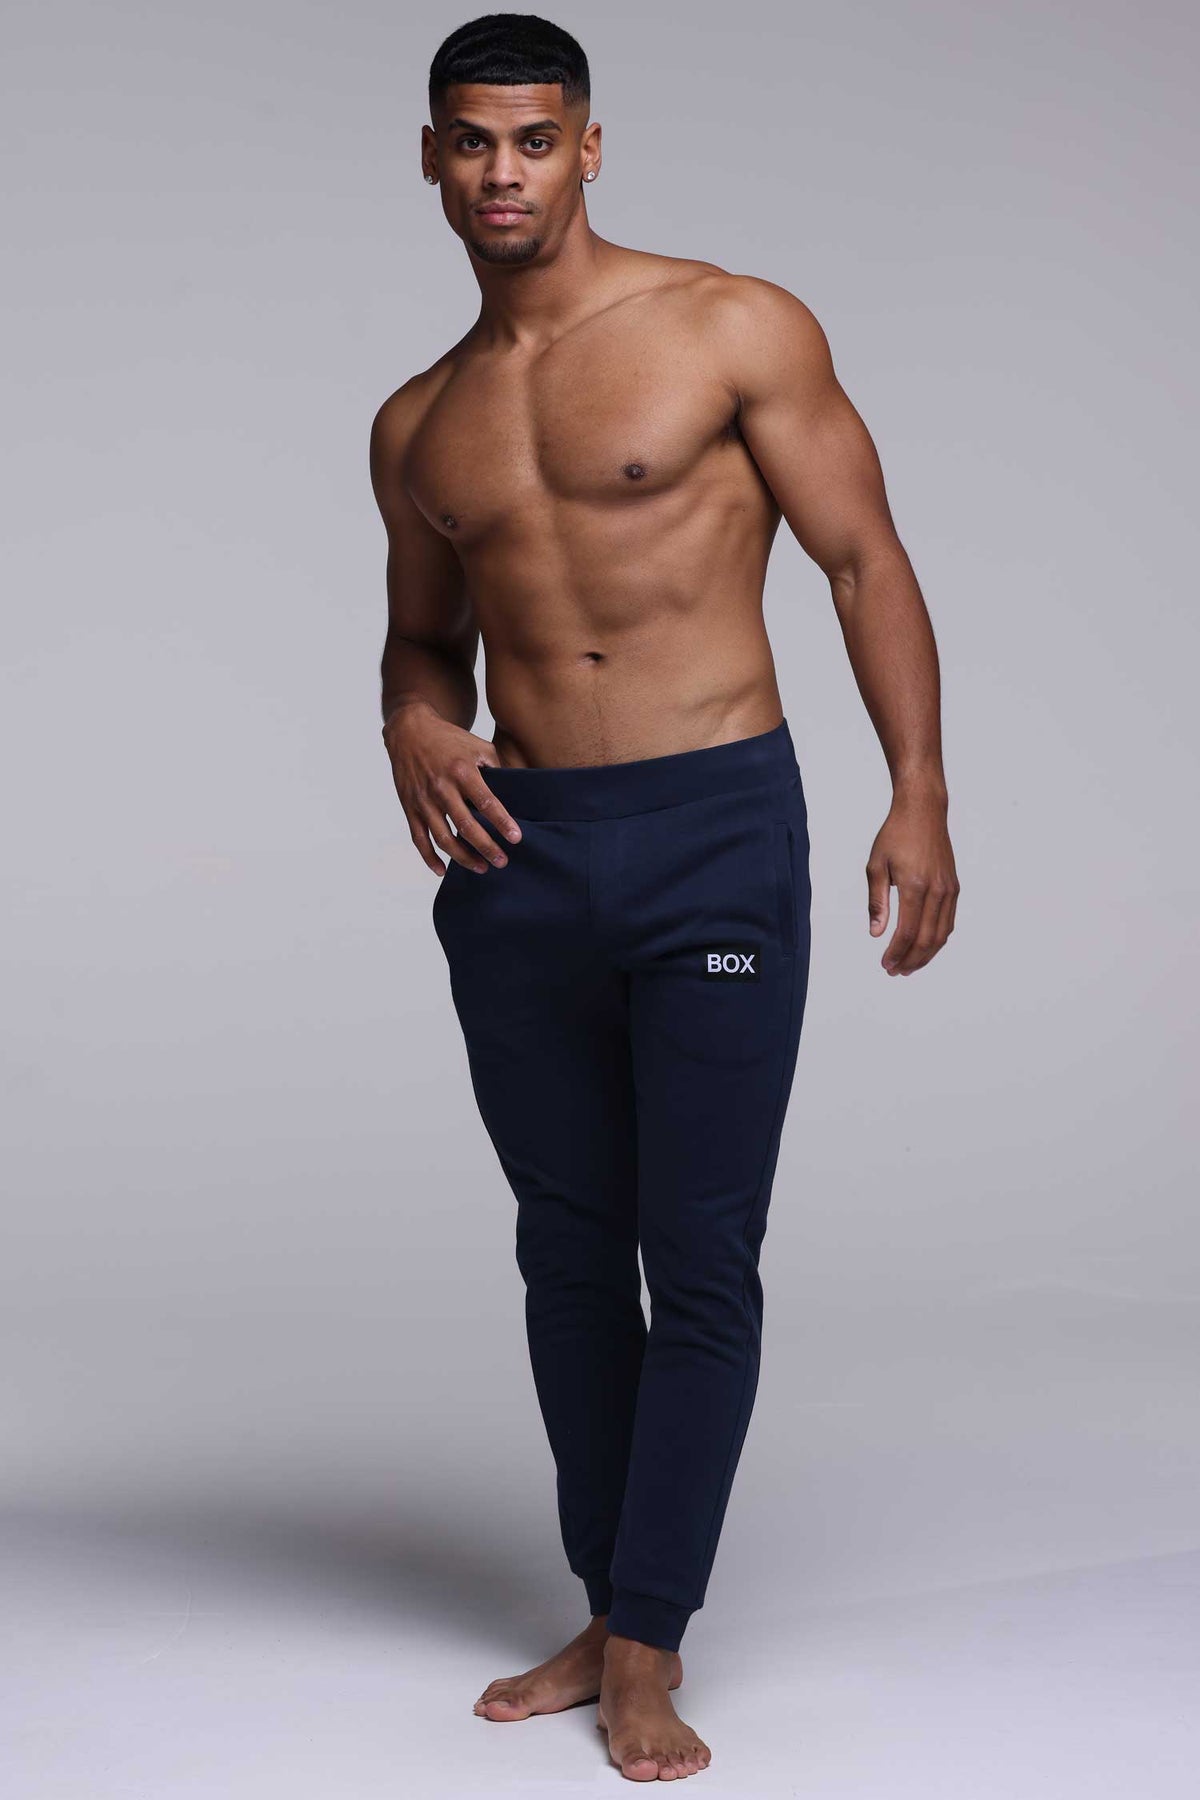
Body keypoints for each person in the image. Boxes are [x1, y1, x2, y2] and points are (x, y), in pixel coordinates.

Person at [371, 13, 959, 1783]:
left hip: (711, 829)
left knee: (696, 1249)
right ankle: (603, 1598)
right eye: (474, 141)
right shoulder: (418, 422)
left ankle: (648, 1642)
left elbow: (862, 557)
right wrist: (411, 717)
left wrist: (918, 791)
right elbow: (422, 639)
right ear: (430, 159)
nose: (504, 172)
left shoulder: (730, 326)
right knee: (568, 1249)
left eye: (535, 138)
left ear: (590, 147)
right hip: (522, 856)